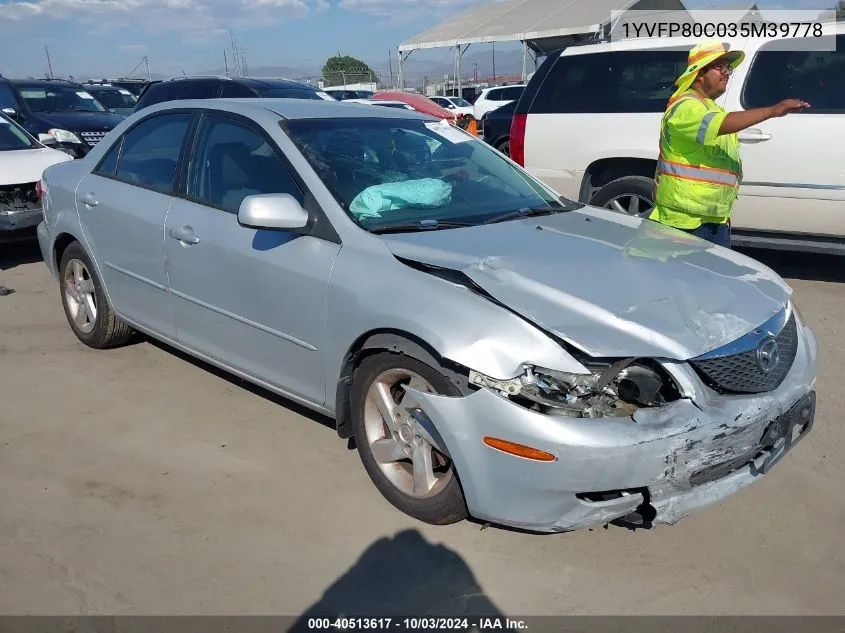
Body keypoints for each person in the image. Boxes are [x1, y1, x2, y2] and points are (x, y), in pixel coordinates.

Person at [649, 40, 810, 248]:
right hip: (683, 223)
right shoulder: (686, 106)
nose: (727, 73)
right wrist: (772, 111)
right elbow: (721, 124)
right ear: (699, 73)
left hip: (713, 220)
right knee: (683, 279)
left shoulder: (711, 108)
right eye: (720, 67)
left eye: (728, 68)